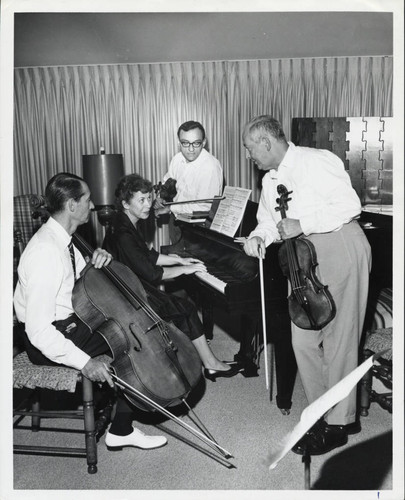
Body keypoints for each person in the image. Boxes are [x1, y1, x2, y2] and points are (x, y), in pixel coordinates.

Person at [240, 115, 372, 456]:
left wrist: (303, 222)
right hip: (301, 259)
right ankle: (324, 413)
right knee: (304, 338)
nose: (248, 155)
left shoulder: (317, 161)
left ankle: (340, 424)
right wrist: (258, 237)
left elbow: (350, 206)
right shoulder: (270, 181)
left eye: (250, 148)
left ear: (266, 142)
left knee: (340, 338)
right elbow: (269, 221)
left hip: (339, 244)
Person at [13, 172, 168, 451]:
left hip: (72, 320)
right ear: (72, 205)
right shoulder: (45, 252)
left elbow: (73, 284)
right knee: (127, 340)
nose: (92, 205)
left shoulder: (66, 239)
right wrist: (85, 363)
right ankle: (122, 429)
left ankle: (122, 420)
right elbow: (38, 330)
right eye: (87, 199)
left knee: (128, 322)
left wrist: (95, 263)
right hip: (50, 335)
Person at [103, 173, 241, 381]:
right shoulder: (123, 232)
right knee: (185, 308)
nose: (149, 204)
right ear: (125, 203)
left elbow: (145, 256)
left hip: (128, 286)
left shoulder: (124, 222)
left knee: (181, 305)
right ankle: (211, 364)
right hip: (129, 296)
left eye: (149, 198)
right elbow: (151, 273)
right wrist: (184, 270)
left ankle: (197, 358)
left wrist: (180, 260)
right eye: (141, 200)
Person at [155, 120, 223, 244]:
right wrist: (161, 197)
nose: (191, 149)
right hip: (176, 221)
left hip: (199, 228)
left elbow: (204, 206)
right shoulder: (177, 159)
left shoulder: (210, 166)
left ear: (204, 142)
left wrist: (170, 208)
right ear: (179, 143)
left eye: (196, 143)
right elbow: (167, 182)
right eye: (185, 143)